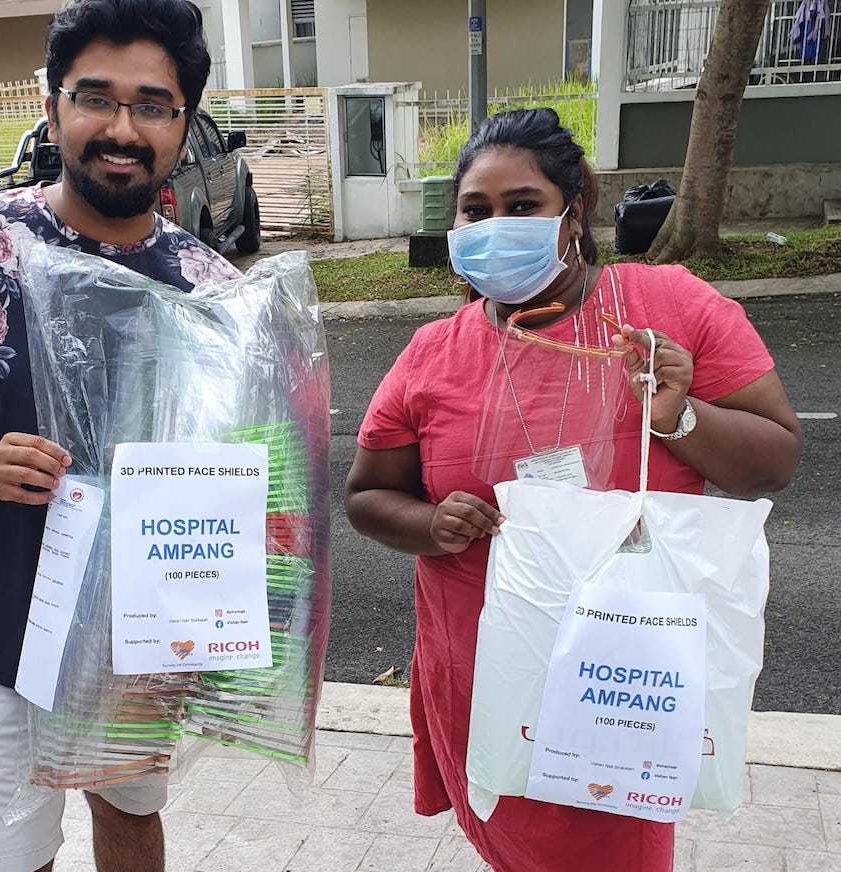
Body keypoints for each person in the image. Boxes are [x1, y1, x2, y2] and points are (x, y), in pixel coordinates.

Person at [343, 107, 802, 871]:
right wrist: (430, 526)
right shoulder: (434, 352)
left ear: (574, 208)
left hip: (625, 676)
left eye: (522, 206)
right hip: (485, 674)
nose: (497, 226)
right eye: (476, 211)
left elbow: (773, 460)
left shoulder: (669, 308)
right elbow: (366, 494)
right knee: (509, 844)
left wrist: (680, 416)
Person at [0, 1, 239, 870]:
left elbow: (241, 470)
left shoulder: (207, 285)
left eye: (153, 104)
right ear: (53, 101)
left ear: (184, 123)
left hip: (143, 635)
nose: (121, 127)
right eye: (95, 97)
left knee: (131, 815)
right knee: (9, 853)